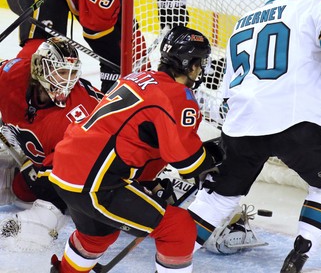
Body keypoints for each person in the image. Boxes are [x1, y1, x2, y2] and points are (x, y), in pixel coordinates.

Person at [187, 0, 321, 272]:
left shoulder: (244, 21)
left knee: (219, 199)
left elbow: (227, 92)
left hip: (240, 127)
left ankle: (173, 256)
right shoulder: (313, 2)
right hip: (294, 125)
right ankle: (299, 255)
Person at [48, 26, 216, 273]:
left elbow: (132, 140)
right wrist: (216, 156)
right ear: (189, 64)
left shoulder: (136, 78)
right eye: (199, 62)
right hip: (95, 182)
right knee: (178, 228)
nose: (200, 69)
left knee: (96, 237)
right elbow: (187, 162)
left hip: (65, 170)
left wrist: (147, 184)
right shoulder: (176, 95)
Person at [0, 37, 103, 249]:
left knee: (29, 239)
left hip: (81, 179)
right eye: (62, 72)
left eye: (73, 73)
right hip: (34, 161)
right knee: (23, 187)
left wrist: (43, 174)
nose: (68, 81)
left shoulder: (78, 113)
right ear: (39, 69)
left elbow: (74, 172)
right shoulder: (13, 75)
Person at [14, 0, 189, 93]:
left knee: (134, 63)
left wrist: (172, 0)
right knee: (39, 52)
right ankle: (15, 102)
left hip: (99, 5)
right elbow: (97, 29)